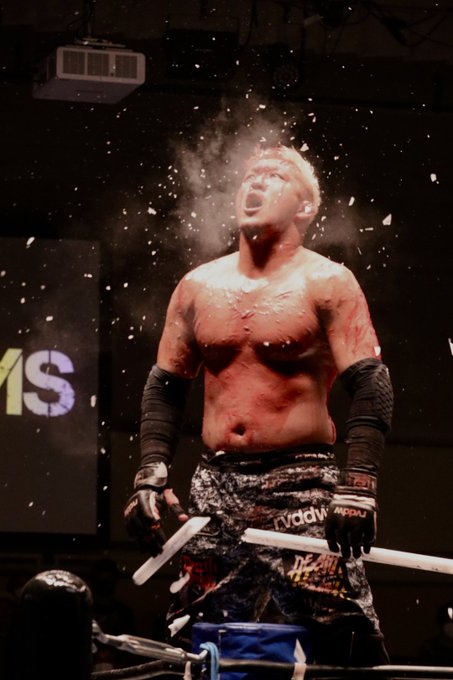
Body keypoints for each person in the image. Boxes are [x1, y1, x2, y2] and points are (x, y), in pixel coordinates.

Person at [124, 144, 393, 665]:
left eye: (275, 175)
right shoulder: (198, 286)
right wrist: (149, 474)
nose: (256, 182)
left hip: (300, 487)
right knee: (195, 633)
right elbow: (166, 386)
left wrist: (359, 487)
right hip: (216, 484)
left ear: (304, 207)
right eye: (251, 175)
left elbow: (371, 383)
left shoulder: (327, 281)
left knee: (345, 633)